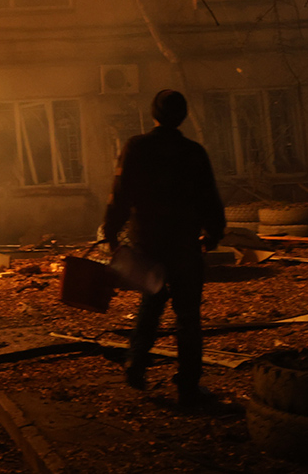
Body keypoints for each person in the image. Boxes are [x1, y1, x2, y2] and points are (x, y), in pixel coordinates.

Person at [103, 89, 225, 406]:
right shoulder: (193, 152)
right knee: (188, 316)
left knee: (151, 302)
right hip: (184, 243)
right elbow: (209, 197)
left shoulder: (136, 147)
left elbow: (120, 192)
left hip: (147, 241)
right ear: (182, 116)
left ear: (153, 114)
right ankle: (188, 386)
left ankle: (135, 363)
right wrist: (213, 234)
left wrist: (112, 232)